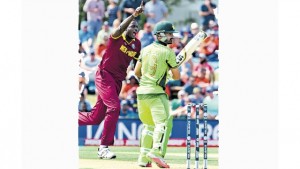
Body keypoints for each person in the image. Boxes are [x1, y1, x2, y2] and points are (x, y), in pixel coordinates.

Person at [78, 3, 144, 159]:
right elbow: (120, 28)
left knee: (95, 118)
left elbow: (136, 66)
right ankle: (103, 148)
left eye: (137, 28)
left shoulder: (137, 44)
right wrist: (134, 15)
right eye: (132, 26)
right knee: (114, 107)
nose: (134, 30)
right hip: (104, 75)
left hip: (117, 81)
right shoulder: (117, 37)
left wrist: (143, 75)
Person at [134, 21, 180, 168]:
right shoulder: (168, 52)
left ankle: (143, 159)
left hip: (141, 93)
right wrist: (169, 71)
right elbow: (177, 76)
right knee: (163, 123)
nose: (172, 36)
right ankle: (156, 152)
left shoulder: (145, 49)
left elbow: (136, 72)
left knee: (149, 126)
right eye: (169, 34)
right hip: (156, 94)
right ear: (160, 35)